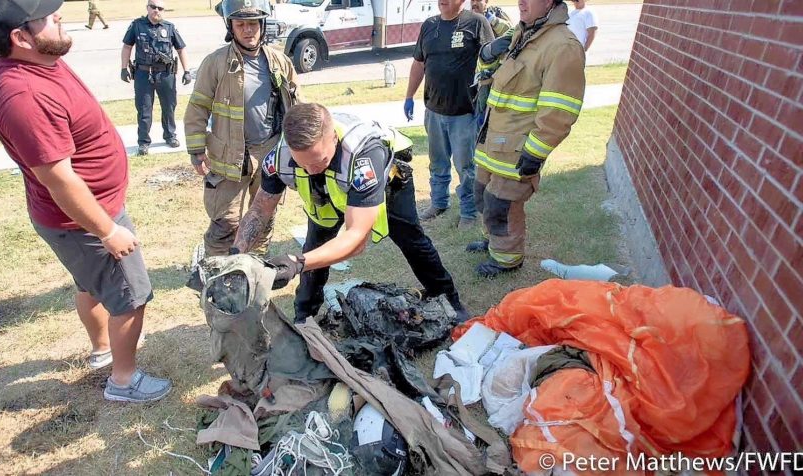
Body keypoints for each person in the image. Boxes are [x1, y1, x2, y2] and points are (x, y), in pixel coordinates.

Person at [0, 0, 171, 402]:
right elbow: (60, 180)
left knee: (92, 286)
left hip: (81, 216)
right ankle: (123, 380)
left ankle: (102, 351)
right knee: (131, 296)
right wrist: (108, 230)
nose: (59, 15)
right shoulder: (24, 95)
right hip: (84, 220)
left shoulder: (37, 57)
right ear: (19, 37)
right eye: (45, 16)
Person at [232, 104, 470, 322]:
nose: (310, 170)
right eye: (302, 164)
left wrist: (297, 263)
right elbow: (259, 210)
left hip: (387, 184)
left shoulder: (365, 155)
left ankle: (449, 300)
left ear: (333, 138)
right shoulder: (279, 158)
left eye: (319, 160)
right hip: (325, 197)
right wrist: (236, 254)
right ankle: (304, 318)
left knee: (411, 241)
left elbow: (356, 238)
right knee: (314, 248)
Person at [468, 0, 585, 277]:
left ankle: (507, 259)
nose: (521, 1)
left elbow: (560, 109)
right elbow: (494, 70)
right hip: (493, 140)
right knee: (483, 195)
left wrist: (536, 152)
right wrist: (488, 53)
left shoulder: (563, 46)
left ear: (549, 2)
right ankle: (493, 242)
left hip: (517, 149)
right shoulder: (523, 33)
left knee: (502, 204)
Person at [185, 0, 298, 257]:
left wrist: (295, 149)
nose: (248, 30)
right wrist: (196, 150)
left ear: (262, 25)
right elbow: (197, 108)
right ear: (231, 27)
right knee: (225, 224)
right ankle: (216, 276)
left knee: (263, 220)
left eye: (253, 24)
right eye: (241, 24)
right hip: (228, 156)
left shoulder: (280, 62)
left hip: (269, 152)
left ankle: (253, 273)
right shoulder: (215, 63)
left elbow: (296, 106)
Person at [404, 0, 493, 229]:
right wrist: (408, 96)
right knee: (437, 163)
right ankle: (439, 203)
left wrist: (487, 101)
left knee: (466, 167)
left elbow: (493, 62)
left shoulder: (476, 23)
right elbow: (418, 63)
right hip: (434, 111)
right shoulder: (429, 25)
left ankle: (469, 212)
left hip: (464, 113)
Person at [121, 0, 191, 156]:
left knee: (169, 106)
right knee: (144, 108)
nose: (156, 10)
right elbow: (127, 46)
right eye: (153, 7)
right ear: (147, 8)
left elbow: (181, 49)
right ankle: (144, 142)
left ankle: (170, 136)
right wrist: (123, 68)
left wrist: (187, 71)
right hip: (143, 74)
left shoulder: (169, 28)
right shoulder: (137, 26)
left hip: (166, 74)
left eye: (160, 8)